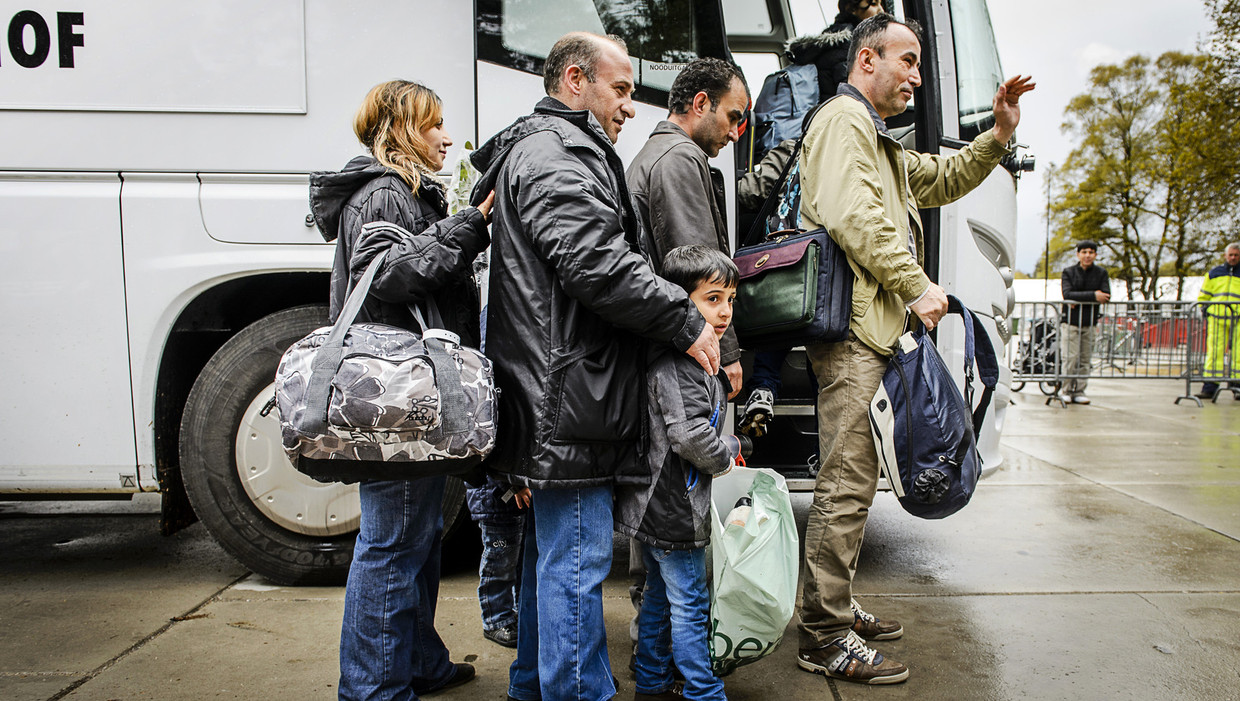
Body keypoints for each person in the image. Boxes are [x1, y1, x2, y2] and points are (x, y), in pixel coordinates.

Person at [469, 32, 721, 701]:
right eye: (622, 89)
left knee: (550, 561)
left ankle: (533, 687)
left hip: (558, 395)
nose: (629, 107)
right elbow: (594, 262)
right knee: (573, 564)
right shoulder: (557, 154)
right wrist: (684, 316)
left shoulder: (550, 149)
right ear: (575, 80)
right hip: (570, 401)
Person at [794, 14, 1034, 684]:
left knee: (856, 482)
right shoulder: (843, 122)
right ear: (866, 59)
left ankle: (833, 604)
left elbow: (943, 177)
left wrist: (998, 136)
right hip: (854, 337)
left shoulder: (879, 139)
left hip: (871, 331)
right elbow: (855, 216)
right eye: (909, 60)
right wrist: (917, 282)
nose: (918, 76)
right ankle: (822, 635)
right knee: (845, 484)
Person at [309, 79, 494, 700]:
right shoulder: (385, 191)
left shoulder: (403, 190)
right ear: (398, 131)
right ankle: (372, 690)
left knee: (412, 538)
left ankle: (418, 662)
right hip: (396, 396)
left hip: (404, 393)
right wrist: (469, 226)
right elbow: (389, 276)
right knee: (391, 543)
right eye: (433, 124)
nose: (447, 135)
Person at [736, 0, 887, 437]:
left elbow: (751, 191)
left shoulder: (796, 137)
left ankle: (764, 384)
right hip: (834, 249)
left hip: (789, 242)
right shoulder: (859, 145)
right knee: (829, 328)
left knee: (784, 305)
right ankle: (828, 418)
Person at [615, 245, 744, 701]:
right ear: (677, 299)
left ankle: (651, 681)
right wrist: (724, 459)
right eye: (712, 298)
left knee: (656, 597)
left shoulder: (685, 356)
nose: (725, 310)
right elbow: (688, 436)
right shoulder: (679, 362)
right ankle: (703, 690)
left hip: (657, 502)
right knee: (690, 601)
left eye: (730, 298)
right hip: (672, 503)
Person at [628, 57, 751, 399]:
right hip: (684, 353)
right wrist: (725, 352)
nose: (733, 133)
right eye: (732, 117)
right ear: (700, 103)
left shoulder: (658, 152)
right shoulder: (680, 157)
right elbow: (702, 269)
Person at [465, 476, 530, 648]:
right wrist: (515, 485)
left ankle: (514, 612)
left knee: (515, 562)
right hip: (495, 500)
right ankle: (496, 620)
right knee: (499, 563)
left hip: (506, 500)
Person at [1059, 240, 1111, 405]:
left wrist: (1080, 297)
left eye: (1091, 252)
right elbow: (1067, 294)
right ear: (1078, 254)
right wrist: (1094, 296)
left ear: (1095, 254)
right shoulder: (1069, 272)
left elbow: (1106, 295)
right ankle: (1065, 390)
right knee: (1070, 357)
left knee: (1085, 359)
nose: (1087, 255)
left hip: (1089, 322)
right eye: (1084, 252)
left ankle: (1080, 390)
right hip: (1071, 323)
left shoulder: (1101, 273)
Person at [1195, 242, 1240, 399]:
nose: (1233, 258)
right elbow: (1204, 295)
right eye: (1231, 255)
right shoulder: (1214, 273)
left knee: (1239, 354)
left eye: (1236, 255)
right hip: (1217, 318)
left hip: (1238, 319)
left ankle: (1237, 386)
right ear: (1225, 256)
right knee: (1214, 352)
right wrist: (1205, 309)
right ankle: (1209, 387)